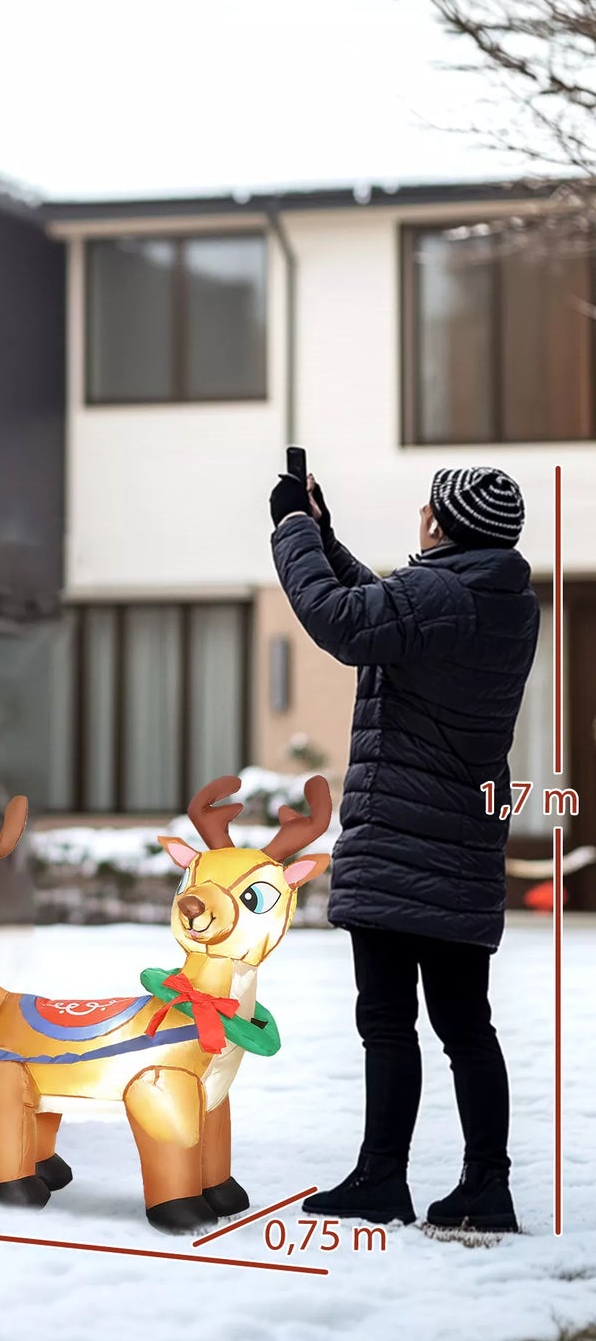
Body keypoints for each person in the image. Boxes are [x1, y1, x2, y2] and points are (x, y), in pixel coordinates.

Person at [268, 465, 538, 1231]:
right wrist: (321, 534)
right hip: (458, 841)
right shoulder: (497, 596)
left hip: (400, 836)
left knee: (386, 1018)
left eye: (428, 506)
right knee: (464, 1023)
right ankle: (487, 1185)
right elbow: (381, 608)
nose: (420, 514)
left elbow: (340, 620)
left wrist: (290, 529)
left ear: (441, 524)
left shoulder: (439, 594)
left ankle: (381, 1176)